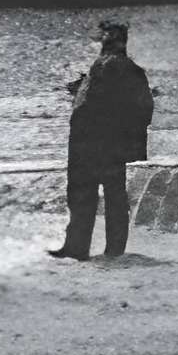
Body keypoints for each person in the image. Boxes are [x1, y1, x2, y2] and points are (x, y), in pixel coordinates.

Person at [48, 21, 153, 261]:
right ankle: (86, 248)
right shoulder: (110, 67)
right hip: (93, 142)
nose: (106, 40)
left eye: (110, 36)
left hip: (103, 142)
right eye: (105, 36)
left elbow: (141, 109)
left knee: (102, 195)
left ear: (120, 41)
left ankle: (100, 249)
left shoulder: (122, 68)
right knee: (93, 194)